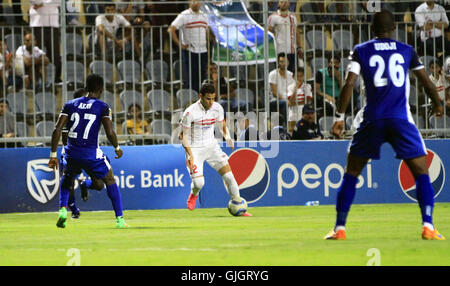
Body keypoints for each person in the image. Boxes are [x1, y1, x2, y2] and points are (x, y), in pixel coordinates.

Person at [325, 10, 445, 240]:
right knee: (421, 172)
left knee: (351, 172)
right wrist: (437, 104)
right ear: (393, 30)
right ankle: (428, 225)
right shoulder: (407, 50)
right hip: (401, 118)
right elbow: (426, 82)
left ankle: (340, 229)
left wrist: (339, 117)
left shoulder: (361, 50)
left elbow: (349, 84)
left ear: (372, 30)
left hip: (372, 119)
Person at [48, 74, 129, 229]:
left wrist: (53, 155)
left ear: (85, 88)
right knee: (110, 179)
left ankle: (63, 210)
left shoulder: (70, 104)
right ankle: (119, 220)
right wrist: (117, 148)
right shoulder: (102, 107)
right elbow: (110, 132)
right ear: (100, 89)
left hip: (71, 152)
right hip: (91, 153)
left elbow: (57, 129)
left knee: (68, 177)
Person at [179, 81, 252, 216]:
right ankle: (193, 194)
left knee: (229, 177)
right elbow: (182, 136)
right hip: (194, 149)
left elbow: (222, 125)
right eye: (208, 99)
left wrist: (228, 137)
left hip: (212, 146)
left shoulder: (217, 108)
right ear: (201, 96)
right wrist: (189, 155)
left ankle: (239, 206)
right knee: (199, 183)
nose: (211, 102)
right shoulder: (190, 112)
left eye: (213, 98)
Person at [168, 0, 215, 93]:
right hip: (190, 51)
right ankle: (192, 100)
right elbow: (171, 29)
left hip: (203, 51)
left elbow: (207, 31)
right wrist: (180, 44)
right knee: (192, 78)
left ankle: (201, 100)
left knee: (202, 78)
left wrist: (214, 40)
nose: (196, 3)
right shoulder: (184, 15)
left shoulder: (204, 15)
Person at [29, 0, 62, 83]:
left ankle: (56, 78)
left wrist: (43, 4)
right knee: (37, 54)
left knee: (55, 54)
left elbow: (60, 2)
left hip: (53, 25)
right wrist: (48, 2)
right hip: (38, 24)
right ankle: (37, 80)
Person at [268, 0, 303, 73]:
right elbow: (269, 33)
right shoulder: (273, 17)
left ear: (289, 4)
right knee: (280, 73)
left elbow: (296, 32)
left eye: (286, 2)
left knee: (292, 73)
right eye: (281, 2)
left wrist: (299, 47)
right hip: (279, 50)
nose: (284, 4)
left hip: (291, 50)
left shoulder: (293, 17)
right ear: (278, 4)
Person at [269, 53, 295, 123]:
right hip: (275, 100)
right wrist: (287, 99)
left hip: (288, 98)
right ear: (278, 63)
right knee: (285, 103)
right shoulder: (273, 74)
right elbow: (274, 93)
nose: (283, 63)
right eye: (281, 61)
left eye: (285, 61)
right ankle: (287, 126)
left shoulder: (291, 74)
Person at [287, 67, 313, 134]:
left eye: (301, 76)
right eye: (297, 76)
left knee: (303, 131)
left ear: (304, 76)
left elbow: (308, 101)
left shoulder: (307, 86)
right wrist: (295, 89)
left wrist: (294, 103)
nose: (299, 78)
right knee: (291, 131)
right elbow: (291, 100)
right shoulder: (290, 87)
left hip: (303, 112)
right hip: (292, 112)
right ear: (293, 77)